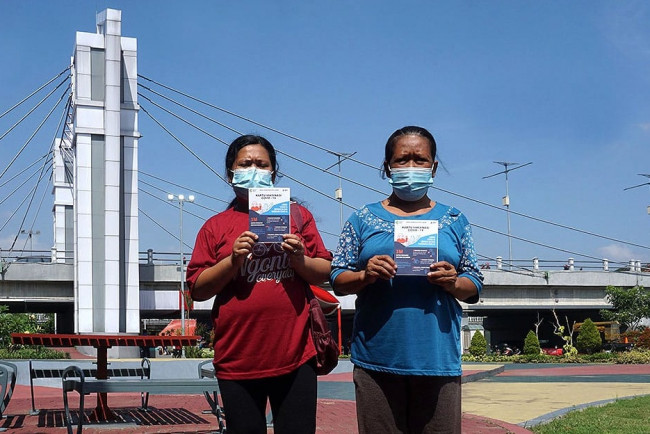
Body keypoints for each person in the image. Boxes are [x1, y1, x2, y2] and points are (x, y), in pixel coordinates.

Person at [330, 126, 483, 434]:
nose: (411, 167)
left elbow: (474, 284)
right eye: (402, 160)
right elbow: (337, 277)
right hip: (377, 359)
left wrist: (453, 282)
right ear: (387, 166)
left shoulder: (455, 219)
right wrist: (364, 274)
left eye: (420, 160)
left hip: (437, 360)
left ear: (434, 167)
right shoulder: (362, 218)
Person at [186, 134, 332, 434]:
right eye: (245, 164)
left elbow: (325, 271)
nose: (254, 170)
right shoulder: (215, 226)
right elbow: (197, 289)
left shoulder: (298, 216)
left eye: (261, 164)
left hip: (296, 356)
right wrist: (232, 260)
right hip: (237, 358)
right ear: (230, 174)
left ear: (274, 172)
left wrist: (300, 260)